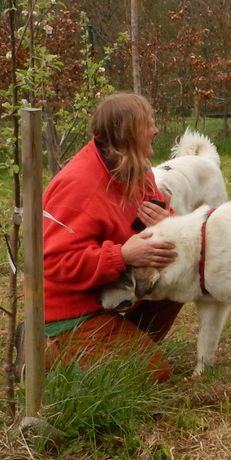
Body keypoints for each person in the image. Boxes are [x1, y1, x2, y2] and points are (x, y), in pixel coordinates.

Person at [39, 92, 182, 381]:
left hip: (112, 293)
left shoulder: (136, 170)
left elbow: (161, 223)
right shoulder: (77, 186)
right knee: (154, 372)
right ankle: (45, 352)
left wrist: (169, 223)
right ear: (126, 133)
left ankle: (117, 349)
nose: (155, 130)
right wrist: (122, 256)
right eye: (148, 124)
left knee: (177, 280)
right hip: (71, 310)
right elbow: (53, 262)